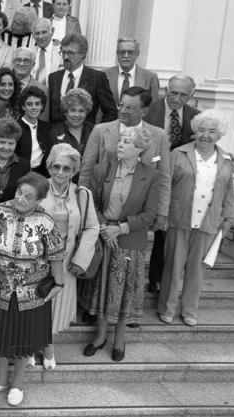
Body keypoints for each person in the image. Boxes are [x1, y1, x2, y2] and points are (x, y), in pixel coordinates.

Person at [0, 172, 64, 407]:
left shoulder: (45, 220)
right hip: (0, 288)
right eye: (19, 193)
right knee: (1, 336)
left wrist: (58, 284)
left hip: (32, 293)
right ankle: (1, 379)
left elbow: (56, 254)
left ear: (39, 200)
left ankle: (17, 384)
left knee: (25, 339)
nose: (21, 199)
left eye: (29, 197)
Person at [81, 128, 160, 362]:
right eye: (121, 140)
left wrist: (121, 228)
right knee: (104, 289)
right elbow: (91, 201)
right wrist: (105, 227)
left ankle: (120, 338)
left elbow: (150, 214)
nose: (121, 144)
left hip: (130, 240)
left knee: (124, 292)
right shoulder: (102, 169)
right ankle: (100, 337)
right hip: (105, 238)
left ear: (139, 149)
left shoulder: (151, 176)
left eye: (128, 141)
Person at [157, 110, 234, 327]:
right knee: (173, 266)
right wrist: (162, 213)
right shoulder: (178, 154)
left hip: (209, 221)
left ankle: (190, 310)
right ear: (194, 131)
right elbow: (164, 186)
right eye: (201, 130)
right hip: (178, 218)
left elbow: (229, 190)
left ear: (219, 134)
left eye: (212, 131)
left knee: (196, 269)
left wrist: (228, 218)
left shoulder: (227, 160)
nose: (205, 135)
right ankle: (167, 307)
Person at [79, 86, 171, 239]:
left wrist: (161, 212)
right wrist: (82, 204)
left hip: (139, 218)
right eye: (121, 105)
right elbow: (86, 169)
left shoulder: (159, 136)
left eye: (129, 107)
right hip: (103, 211)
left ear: (144, 111)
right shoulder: (100, 131)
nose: (122, 110)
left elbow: (164, 177)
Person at [39, 144, 99, 368]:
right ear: (49, 166)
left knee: (55, 307)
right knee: (35, 305)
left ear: (74, 170)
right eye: (56, 167)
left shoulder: (82, 194)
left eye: (67, 168)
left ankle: (47, 345)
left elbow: (92, 227)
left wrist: (80, 258)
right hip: (37, 261)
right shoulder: (37, 188)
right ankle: (34, 346)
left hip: (66, 262)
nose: (60, 173)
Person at [143, 74, 201, 293]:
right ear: (166, 89)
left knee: (163, 231)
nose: (176, 98)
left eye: (183, 95)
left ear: (191, 95)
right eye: (173, 92)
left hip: (174, 184)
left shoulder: (196, 117)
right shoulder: (148, 110)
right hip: (146, 176)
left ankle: (156, 279)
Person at [47, 33, 118, 124]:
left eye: (71, 53)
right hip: (56, 135)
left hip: (86, 136)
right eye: (63, 52)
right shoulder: (54, 78)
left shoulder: (97, 78)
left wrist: (96, 132)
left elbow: (111, 112)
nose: (66, 57)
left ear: (83, 54)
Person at [104, 38, 159, 104]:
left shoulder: (150, 77)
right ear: (117, 53)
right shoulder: (104, 75)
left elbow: (154, 106)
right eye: (122, 52)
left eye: (130, 52)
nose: (126, 56)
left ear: (137, 54)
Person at [48, 88, 95, 161]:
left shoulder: (94, 131)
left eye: (81, 111)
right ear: (65, 111)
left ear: (86, 113)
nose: (77, 115)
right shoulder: (54, 132)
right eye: (73, 110)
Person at [29, 18, 63, 85]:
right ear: (33, 35)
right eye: (37, 33)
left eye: (44, 32)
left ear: (52, 31)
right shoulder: (29, 53)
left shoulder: (61, 53)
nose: (41, 37)